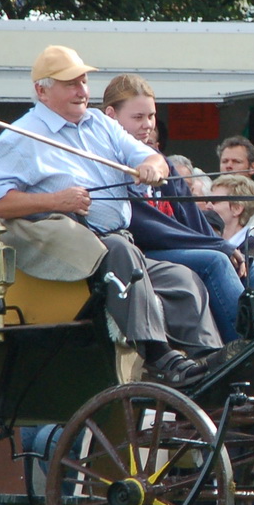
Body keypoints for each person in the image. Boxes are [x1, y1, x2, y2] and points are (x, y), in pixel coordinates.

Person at [0, 46, 217, 385]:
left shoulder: (101, 124)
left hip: (117, 245)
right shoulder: (20, 137)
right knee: (121, 252)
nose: (82, 91)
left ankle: (208, 362)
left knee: (182, 278)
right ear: (41, 90)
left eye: (84, 81)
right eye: (70, 83)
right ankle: (159, 355)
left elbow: (153, 159)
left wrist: (149, 167)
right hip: (71, 249)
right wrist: (56, 201)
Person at [100, 73, 245, 342]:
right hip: (139, 253)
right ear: (110, 115)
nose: (148, 126)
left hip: (171, 248)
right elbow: (152, 229)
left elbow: (193, 219)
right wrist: (217, 248)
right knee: (215, 261)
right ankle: (242, 348)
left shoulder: (161, 163)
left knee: (246, 257)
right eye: (138, 117)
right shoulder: (107, 167)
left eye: (151, 116)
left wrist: (221, 244)